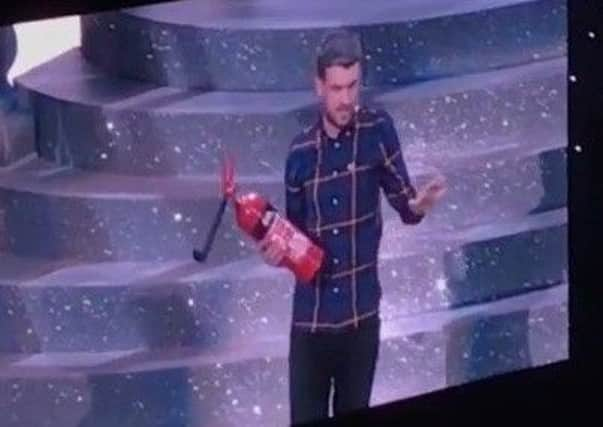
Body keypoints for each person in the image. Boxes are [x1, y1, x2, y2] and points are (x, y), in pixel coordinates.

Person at [258, 30, 447, 425]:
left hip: (361, 320)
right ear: (319, 87)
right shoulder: (300, 153)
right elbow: (293, 239)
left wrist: (420, 205)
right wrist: (275, 254)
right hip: (311, 323)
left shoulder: (378, 130)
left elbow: (406, 206)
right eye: (336, 88)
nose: (346, 99)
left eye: (353, 86)